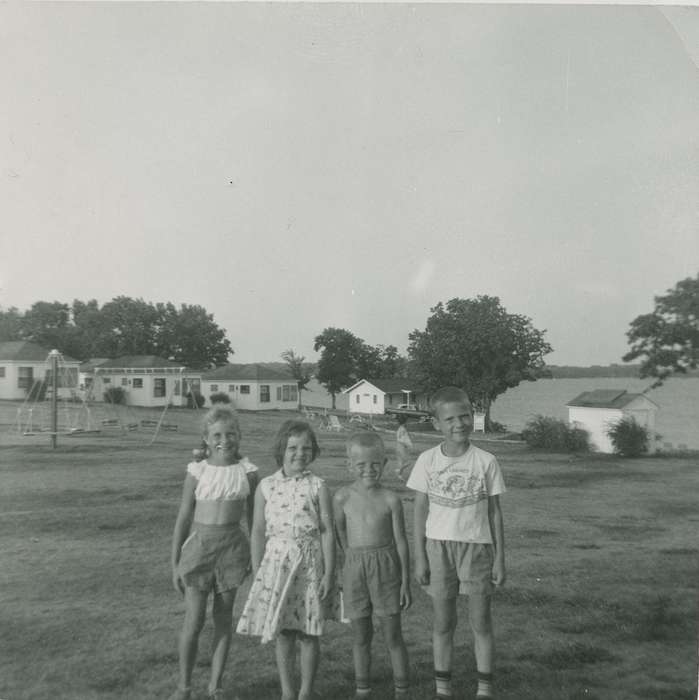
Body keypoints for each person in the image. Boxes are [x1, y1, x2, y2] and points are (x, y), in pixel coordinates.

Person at [407, 387, 506, 700]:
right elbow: (420, 510)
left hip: (476, 549)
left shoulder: (486, 461)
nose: (459, 423)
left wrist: (501, 558)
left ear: (472, 415)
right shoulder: (426, 460)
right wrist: (419, 556)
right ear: (437, 424)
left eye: (464, 416)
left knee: (480, 622)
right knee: (443, 622)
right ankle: (442, 687)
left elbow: (495, 513)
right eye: (449, 419)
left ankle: (485, 688)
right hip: (438, 550)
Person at [236, 420, 335, 700]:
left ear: (313, 452)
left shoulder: (319, 486)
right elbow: (256, 531)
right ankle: (287, 692)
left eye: (306, 448)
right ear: (281, 449)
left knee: (308, 631)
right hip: (277, 565)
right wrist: (258, 569)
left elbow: (327, 531)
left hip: (310, 564)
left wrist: (329, 573)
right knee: (283, 632)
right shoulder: (266, 487)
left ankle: (306, 692)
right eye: (293, 447)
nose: (299, 453)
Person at [170, 405, 258, 700]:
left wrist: (256, 560)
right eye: (217, 434)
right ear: (206, 439)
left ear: (239, 436)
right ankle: (184, 687)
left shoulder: (248, 472)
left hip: (233, 548)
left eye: (230, 433)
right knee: (194, 621)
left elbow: (256, 520)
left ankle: (216, 686)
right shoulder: (197, 471)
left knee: (223, 619)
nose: (224, 440)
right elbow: (184, 516)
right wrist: (175, 563)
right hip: (199, 548)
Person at [334, 431, 412, 699]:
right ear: (349, 466)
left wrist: (404, 581)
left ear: (385, 463)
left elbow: (401, 541)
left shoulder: (391, 499)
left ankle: (402, 690)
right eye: (361, 464)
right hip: (355, 568)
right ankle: (362, 688)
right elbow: (339, 534)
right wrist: (347, 565)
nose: (369, 469)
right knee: (360, 635)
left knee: (393, 634)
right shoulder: (342, 498)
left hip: (386, 567)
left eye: (375, 463)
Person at [394, 414, 414, 481]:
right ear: (405, 422)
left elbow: (400, 438)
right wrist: (409, 445)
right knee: (408, 462)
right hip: (401, 446)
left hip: (398, 445)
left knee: (401, 462)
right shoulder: (403, 429)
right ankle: (398, 471)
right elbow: (403, 439)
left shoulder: (400, 428)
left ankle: (399, 475)